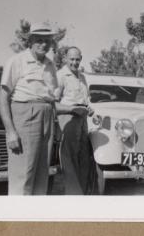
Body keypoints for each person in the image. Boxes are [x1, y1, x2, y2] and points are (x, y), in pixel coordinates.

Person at [0, 23, 58, 195]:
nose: (43, 44)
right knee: (22, 177)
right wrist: (10, 132)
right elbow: (3, 98)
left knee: (41, 177)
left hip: (47, 118)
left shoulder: (51, 65)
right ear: (30, 41)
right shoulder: (16, 61)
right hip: (25, 116)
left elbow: (51, 97)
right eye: (39, 40)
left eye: (47, 40)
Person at [55, 46, 94, 194]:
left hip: (82, 119)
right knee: (69, 158)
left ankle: (82, 193)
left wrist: (89, 108)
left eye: (77, 59)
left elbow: (86, 99)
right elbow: (53, 103)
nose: (74, 62)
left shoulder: (82, 77)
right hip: (68, 118)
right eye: (71, 59)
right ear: (65, 58)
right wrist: (72, 109)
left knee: (83, 156)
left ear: (81, 59)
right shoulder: (60, 76)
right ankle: (73, 194)